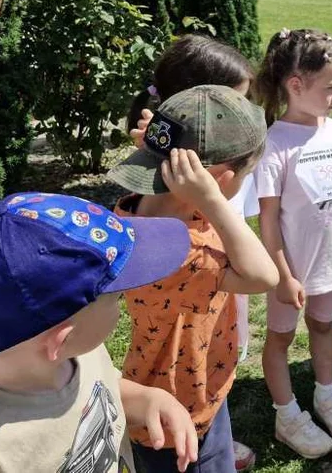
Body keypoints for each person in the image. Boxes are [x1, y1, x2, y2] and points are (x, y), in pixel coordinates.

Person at [0, 191, 199, 472]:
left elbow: (102, 389)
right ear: (61, 340)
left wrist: (149, 400)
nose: (121, 308)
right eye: (116, 298)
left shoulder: (81, 353)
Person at [108, 85, 280, 472]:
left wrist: (157, 151)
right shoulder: (183, 252)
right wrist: (214, 200)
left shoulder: (138, 210)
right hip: (180, 418)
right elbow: (263, 275)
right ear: (217, 181)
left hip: (195, 387)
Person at [254, 29, 332, 459]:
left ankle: (326, 395)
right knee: (280, 340)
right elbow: (267, 220)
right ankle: (287, 415)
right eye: (331, 87)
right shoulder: (275, 144)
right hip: (292, 271)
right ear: (296, 85)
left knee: (323, 326)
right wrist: (283, 276)